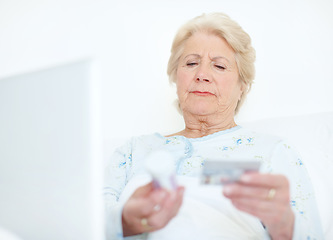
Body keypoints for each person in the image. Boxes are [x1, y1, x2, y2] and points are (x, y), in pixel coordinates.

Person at [104, 12, 324, 240]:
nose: (202, 74)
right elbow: (85, 224)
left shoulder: (273, 151)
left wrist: (284, 225)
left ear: (242, 87)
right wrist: (125, 222)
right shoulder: (133, 152)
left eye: (219, 66)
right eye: (191, 63)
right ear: (176, 77)